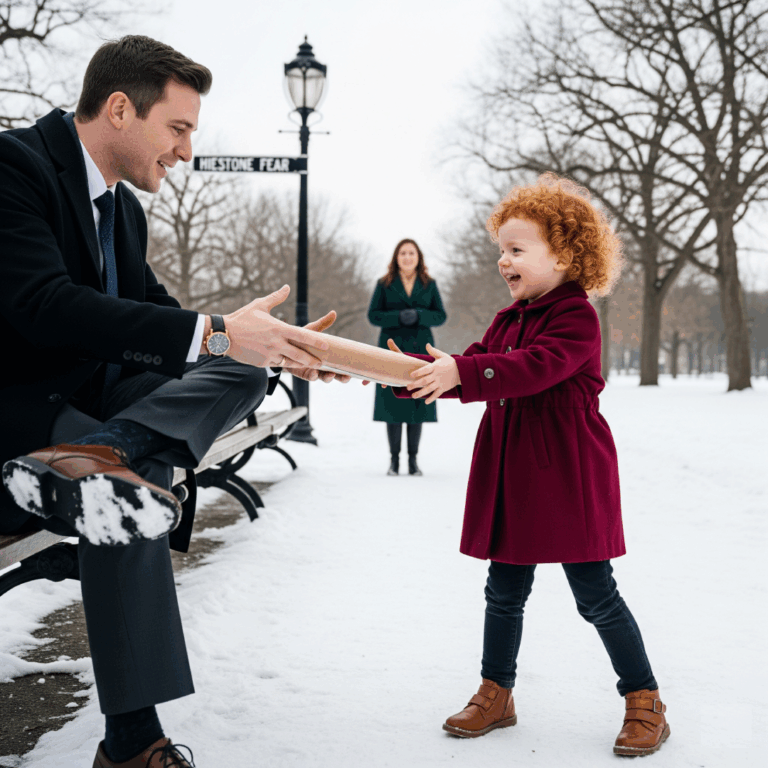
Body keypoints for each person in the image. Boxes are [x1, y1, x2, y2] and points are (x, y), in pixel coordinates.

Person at [0, 35, 348, 768]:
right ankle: (133, 743)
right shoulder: (14, 167)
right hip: (19, 419)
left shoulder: (122, 213)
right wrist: (220, 332)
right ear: (121, 110)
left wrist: (270, 345)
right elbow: (44, 307)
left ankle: (108, 454)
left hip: (87, 425)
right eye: (179, 129)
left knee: (240, 371)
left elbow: (162, 320)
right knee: (134, 484)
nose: (186, 151)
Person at [388, 174, 669, 757]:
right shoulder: (507, 318)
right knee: (503, 590)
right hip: (513, 470)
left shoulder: (577, 317)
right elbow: (470, 362)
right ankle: (497, 692)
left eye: (517, 250)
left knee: (595, 594)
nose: (502, 260)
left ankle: (645, 700)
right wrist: (389, 369)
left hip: (567, 471)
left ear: (564, 255)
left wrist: (465, 373)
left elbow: (536, 367)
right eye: (502, 249)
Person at [367, 239, 446, 476]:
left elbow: (440, 315)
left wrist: (419, 315)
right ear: (396, 257)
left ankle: (413, 461)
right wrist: (399, 317)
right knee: (393, 403)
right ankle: (393, 461)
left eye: (412, 253)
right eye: (403, 253)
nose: (407, 257)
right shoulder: (384, 284)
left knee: (417, 401)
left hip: (421, 350)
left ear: (418, 257)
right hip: (391, 350)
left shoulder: (429, 284)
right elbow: (374, 316)